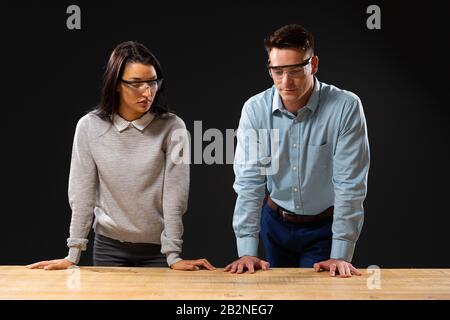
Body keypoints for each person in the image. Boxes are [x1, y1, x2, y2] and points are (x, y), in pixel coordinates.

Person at [27, 41, 214, 271]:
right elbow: (81, 193)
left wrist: (173, 255)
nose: (147, 92)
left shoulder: (173, 127)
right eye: (136, 83)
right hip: (108, 248)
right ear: (116, 84)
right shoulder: (89, 127)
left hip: (158, 251)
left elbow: (175, 198)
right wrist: (72, 253)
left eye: (152, 82)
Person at [225, 24, 369, 277]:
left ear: (312, 65)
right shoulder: (254, 110)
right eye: (277, 71)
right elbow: (250, 182)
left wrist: (340, 254)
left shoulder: (346, 107)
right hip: (274, 223)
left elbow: (350, 184)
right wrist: (246, 250)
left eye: (294, 70)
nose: (285, 81)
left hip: (324, 227)